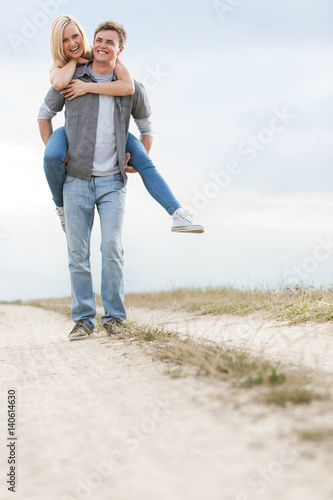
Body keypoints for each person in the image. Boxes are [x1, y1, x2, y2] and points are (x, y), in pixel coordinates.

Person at [38, 20, 163, 340]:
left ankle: (115, 319)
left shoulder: (130, 84)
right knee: (77, 254)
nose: (99, 44)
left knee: (112, 248)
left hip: (112, 183)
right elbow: (44, 113)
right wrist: (57, 147)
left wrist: (135, 161)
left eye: (109, 41)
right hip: (76, 181)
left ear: (119, 48)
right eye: (98, 40)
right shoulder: (71, 77)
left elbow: (146, 127)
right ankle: (83, 319)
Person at [42, 15, 204, 234]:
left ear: (83, 35)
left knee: (146, 162)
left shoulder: (103, 56)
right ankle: (60, 206)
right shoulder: (60, 67)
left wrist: (86, 88)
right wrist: (72, 62)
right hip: (74, 131)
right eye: (64, 40)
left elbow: (128, 87)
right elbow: (50, 102)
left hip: (114, 131)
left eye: (75, 36)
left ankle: (177, 213)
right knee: (51, 156)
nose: (72, 44)